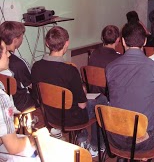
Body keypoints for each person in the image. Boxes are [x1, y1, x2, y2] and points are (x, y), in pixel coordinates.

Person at [31, 26, 106, 157]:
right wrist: (81, 92)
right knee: (102, 101)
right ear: (67, 43)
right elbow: (82, 105)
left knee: (77, 104)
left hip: (50, 116)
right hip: (71, 119)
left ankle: (82, 139)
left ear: (47, 43)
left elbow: (38, 96)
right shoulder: (70, 71)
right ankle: (96, 145)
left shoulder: (36, 67)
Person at [106, 22, 154, 162]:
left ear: (123, 41)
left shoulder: (110, 67)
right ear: (144, 41)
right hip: (143, 141)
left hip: (114, 137)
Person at [0, 37, 39, 161]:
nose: (8, 55)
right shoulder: (2, 98)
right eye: (5, 52)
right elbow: (14, 147)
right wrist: (36, 139)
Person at [0, 21, 35, 112]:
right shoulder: (19, 63)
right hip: (22, 105)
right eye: (22, 36)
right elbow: (32, 85)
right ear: (15, 40)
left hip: (10, 102)